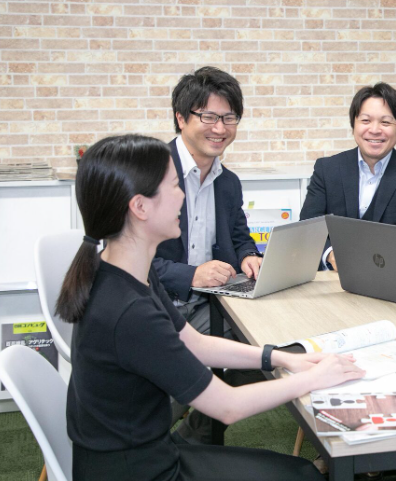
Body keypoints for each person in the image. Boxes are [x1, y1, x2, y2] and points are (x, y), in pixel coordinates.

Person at [58, 134, 364, 480]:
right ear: (139, 207)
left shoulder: (124, 270)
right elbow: (227, 406)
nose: (183, 196)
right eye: (174, 186)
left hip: (143, 454)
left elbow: (195, 343)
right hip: (140, 472)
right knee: (302, 475)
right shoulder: (129, 311)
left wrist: (282, 358)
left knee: (298, 471)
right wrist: (313, 378)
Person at [153, 66, 261, 337]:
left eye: (229, 118)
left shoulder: (228, 182)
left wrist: (248, 255)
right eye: (208, 117)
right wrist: (191, 276)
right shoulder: (149, 172)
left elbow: (239, 238)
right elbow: (125, 259)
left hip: (209, 307)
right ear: (181, 118)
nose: (220, 128)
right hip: (154, 308)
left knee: (267, 332)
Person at [300, 82, 396, 270]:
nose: (375, 130)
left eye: (385, 122)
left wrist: (375, 258)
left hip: (387, 276)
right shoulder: (327, 169)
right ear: (353, 125)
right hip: (332, 277)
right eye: (365, 120)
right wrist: (331, 255)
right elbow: (307, 227)